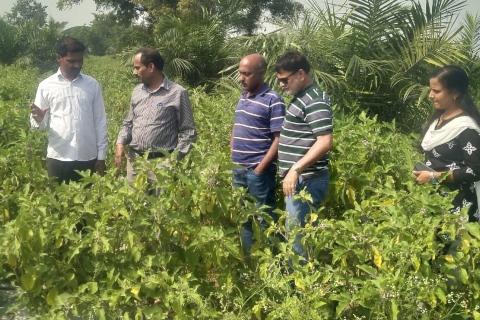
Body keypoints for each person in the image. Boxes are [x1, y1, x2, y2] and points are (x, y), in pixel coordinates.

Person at [275, 51, 333, 258]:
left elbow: (325, 142)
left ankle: (300, 286)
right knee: (296, 234)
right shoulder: (303, 97)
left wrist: (295, 169)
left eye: (285, 80)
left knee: (297, 238)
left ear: (300, 74)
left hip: (306, 181)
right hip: (299, 180)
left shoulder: (314, 100)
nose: (281, 85)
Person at [30, 37, 108, 184]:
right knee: (58, 204)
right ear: (59, 58)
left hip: (88, 157)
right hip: (58, 158)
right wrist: (39, 119)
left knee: (88, 204)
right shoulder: (46, 86)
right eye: (71, 61)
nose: (77, 65)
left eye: (80, 60)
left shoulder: (92, 85)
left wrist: (101, 156)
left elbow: (100, 121)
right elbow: (39, 127)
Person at [115, 48, 196, 185]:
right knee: (134, 203)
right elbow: (128, 123)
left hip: (162, 165)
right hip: (135, 162)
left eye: (137, 68)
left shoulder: (177, 93)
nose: (134, 72)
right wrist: (120, 143)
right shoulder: (137, 91)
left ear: (151, 67)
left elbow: (188, 131)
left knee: (161, 205)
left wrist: (174, 159)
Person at [231, 53, 286, 254]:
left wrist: (260, 167)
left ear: (261, 74)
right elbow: (237, 125)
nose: (241, 78)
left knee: (264, 218)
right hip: (238, 170)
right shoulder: (243, 96)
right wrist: (232, 150)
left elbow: (279, 139)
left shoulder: (273, 100)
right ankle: (249, 262)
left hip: (258, 173)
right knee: (243, 217)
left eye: (247, 74)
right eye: (240, 73)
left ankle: (272, 264)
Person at [414, 65, 480, 222]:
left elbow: (475, 170)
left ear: (455, 93)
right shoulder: (438, 120)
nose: (430, 95)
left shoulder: (466, 128)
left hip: (457, 207)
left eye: (436, 91)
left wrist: (433, 177)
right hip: (433, 201)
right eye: (431, 90)